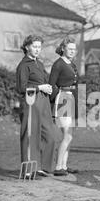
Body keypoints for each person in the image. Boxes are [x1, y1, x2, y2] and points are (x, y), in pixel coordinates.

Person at [16, 35, 57, 178]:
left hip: (44, 102)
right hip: (31, 102)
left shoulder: (39, 64)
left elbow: (45, 82)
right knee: (30, 136)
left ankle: (43, 167)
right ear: (27, 47)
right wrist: (40, 87)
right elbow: (21, 88)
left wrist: (50, 88)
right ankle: (28, 170)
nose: (37, 49)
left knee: (50, 135)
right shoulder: (23, 65)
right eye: (34, 46)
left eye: (39, 47)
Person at [49, 37, 79, 176]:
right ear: (63, 49)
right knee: (67, 135)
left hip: (72, 98)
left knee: (70, 135)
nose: (73, 51)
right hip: (63, 98)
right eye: (70, 49)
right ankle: (57, 167)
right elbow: (52, 85)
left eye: (74, 49)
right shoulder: (58, 64)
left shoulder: (72, 65)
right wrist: (57, 100)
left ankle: (64, 166)